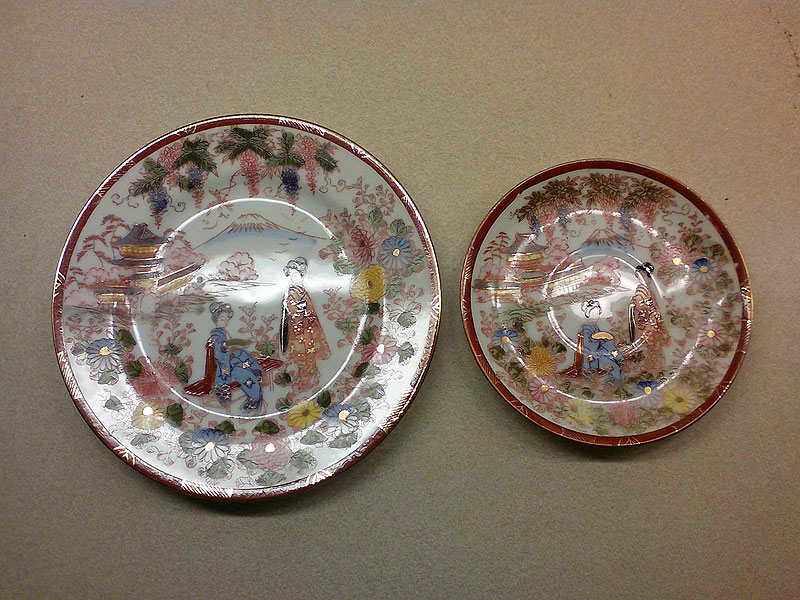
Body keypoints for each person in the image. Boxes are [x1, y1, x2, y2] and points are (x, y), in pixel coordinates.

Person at [280, 257, 330, 392]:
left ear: (302, 274)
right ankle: (305, 381)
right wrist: (301, 310)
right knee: (302, 355)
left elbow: (310, 310)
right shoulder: (292, 293)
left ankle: (313, 379)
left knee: (310, 353)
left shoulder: (303, 291)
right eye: (291, 275)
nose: (293, 277)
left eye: (295, 274)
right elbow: (292, 311)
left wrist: (307, 311)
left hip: (308, 329)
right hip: (299, 331)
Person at [207, 302, 264, 412]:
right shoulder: (217, 335)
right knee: (239, 369)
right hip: (225, 362)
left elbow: (230, 343)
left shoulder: (223, 332)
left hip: (229, 357)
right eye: (222, 319)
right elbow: (219, 352)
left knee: (241, 353)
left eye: (227, 319)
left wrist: (238, 346)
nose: (225, 321)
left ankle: (255, 375)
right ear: (216, 320)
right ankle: (254, 394)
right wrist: (230, 350)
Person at [628, 262, 668, 371]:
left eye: (642, 275)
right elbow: (639, 304)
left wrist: (644, 305)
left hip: (650, 318)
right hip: (644, 318)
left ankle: (657, 366)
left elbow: (648, 304)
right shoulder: (641, 289)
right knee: (646, 343)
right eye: (639, 275)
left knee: (653, 343)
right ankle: (649, 366)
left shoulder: (647, 290)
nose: (640, 277)